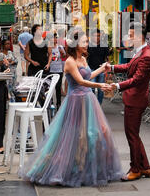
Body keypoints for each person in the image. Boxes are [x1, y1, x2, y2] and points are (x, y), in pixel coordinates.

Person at [22, 30, 123, 187]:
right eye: (84, 42)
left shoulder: (83, 58)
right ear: (76, 45)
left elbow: (88, 76)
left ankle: (85, 169)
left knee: (92, 134)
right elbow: (81, 81)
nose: (87, 44)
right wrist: (99, 85)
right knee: (72, 136)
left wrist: (103, 69)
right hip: (76, 101)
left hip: (88, 99)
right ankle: (69, 169)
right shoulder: (69, 61)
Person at [105, 22, 150, 181]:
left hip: (136, 99)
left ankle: (136, 169)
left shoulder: (146, 55)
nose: (129, 38)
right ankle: (145, 167)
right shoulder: (141, 52)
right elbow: (129, 67)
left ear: (140, 36)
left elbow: (137, 79)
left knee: (131, 135)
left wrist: (117, 85)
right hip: (134, 98)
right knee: (134, 134)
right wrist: (112, 68)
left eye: (132, 35)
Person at [87, 29, 110, 105]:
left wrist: (108, 72)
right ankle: (93, 105)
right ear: (92, 36)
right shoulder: (88, 45)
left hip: (102, 70)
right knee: (91, 88)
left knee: (101, 89)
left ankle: (98, 105)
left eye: (98, 36)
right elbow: (84, 57)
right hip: (91, 70)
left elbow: (107, 59)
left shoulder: (104, 45)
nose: (97, 37)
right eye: (95, 36)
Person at [46, 32, 66, 110]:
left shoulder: (60, 47)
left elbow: (64, 56)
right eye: (53, 38)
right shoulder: (48, 48)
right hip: (50, 70)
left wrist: (62, 53)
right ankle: (50, 103)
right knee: (50, 87)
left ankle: (58, 103)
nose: (55, 39)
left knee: (58, 87)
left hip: (59, 69)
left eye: (55, 38)